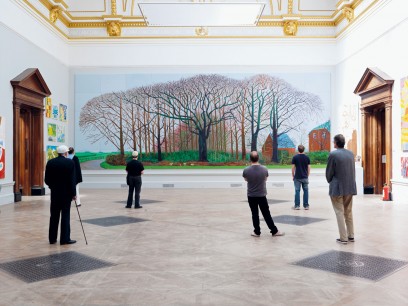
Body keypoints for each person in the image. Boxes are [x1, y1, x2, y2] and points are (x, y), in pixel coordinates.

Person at [243, 151, 284, 237]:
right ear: (258, 158)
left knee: (255, 214)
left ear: (250, 159)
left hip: (251, 195)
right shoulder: (264, 169)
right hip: (262, 195)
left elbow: (246, 179)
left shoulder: (246, 170)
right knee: (266, 214)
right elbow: (265, 179)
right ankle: (274, 230)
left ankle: (257, 232)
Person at [326, 134, 357, 244]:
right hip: (349, 187)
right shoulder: (350, 154)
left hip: (337, 188)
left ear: (335, 143)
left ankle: (343, 238)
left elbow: (329, 172)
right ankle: (351, 235)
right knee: (348, 211)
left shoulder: (333, 154)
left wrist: (329, 180)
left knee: (339, 212)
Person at [44, 145, 77, 245]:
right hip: (66, 195)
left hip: (54, 194)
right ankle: (64, 239)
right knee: (65, 216)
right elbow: (72, 180)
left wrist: (52, 187)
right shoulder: (70, 162)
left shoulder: (50, 162)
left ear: (57, 153)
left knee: (53, 216)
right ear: (66, 153)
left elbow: (47, 179)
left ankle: (52, 238)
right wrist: (73, 194)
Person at [291, 144, 311, 210]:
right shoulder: (307, 157)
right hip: (305, 177)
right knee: (306, 191)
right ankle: (306, 206)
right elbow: (309, 167)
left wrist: (293, 175)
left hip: (297, 177)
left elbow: (293, 167)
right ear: (303, 150)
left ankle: (297, 206)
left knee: (297, 191)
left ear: (298, 150)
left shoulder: (295, 157)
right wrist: (307, 174)